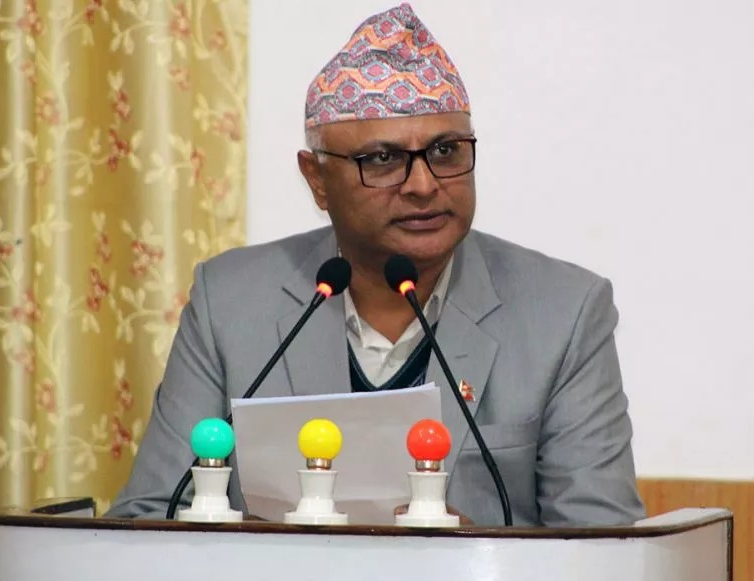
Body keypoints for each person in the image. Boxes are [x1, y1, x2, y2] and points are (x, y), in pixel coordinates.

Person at [107, 2, 645, 527]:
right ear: (317, 180)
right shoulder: (229, 301)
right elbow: (149, 516)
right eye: (383, 160)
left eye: (447, 151)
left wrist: (473, 556)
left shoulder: (564, 313)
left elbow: (604, 550)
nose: (424, 185)